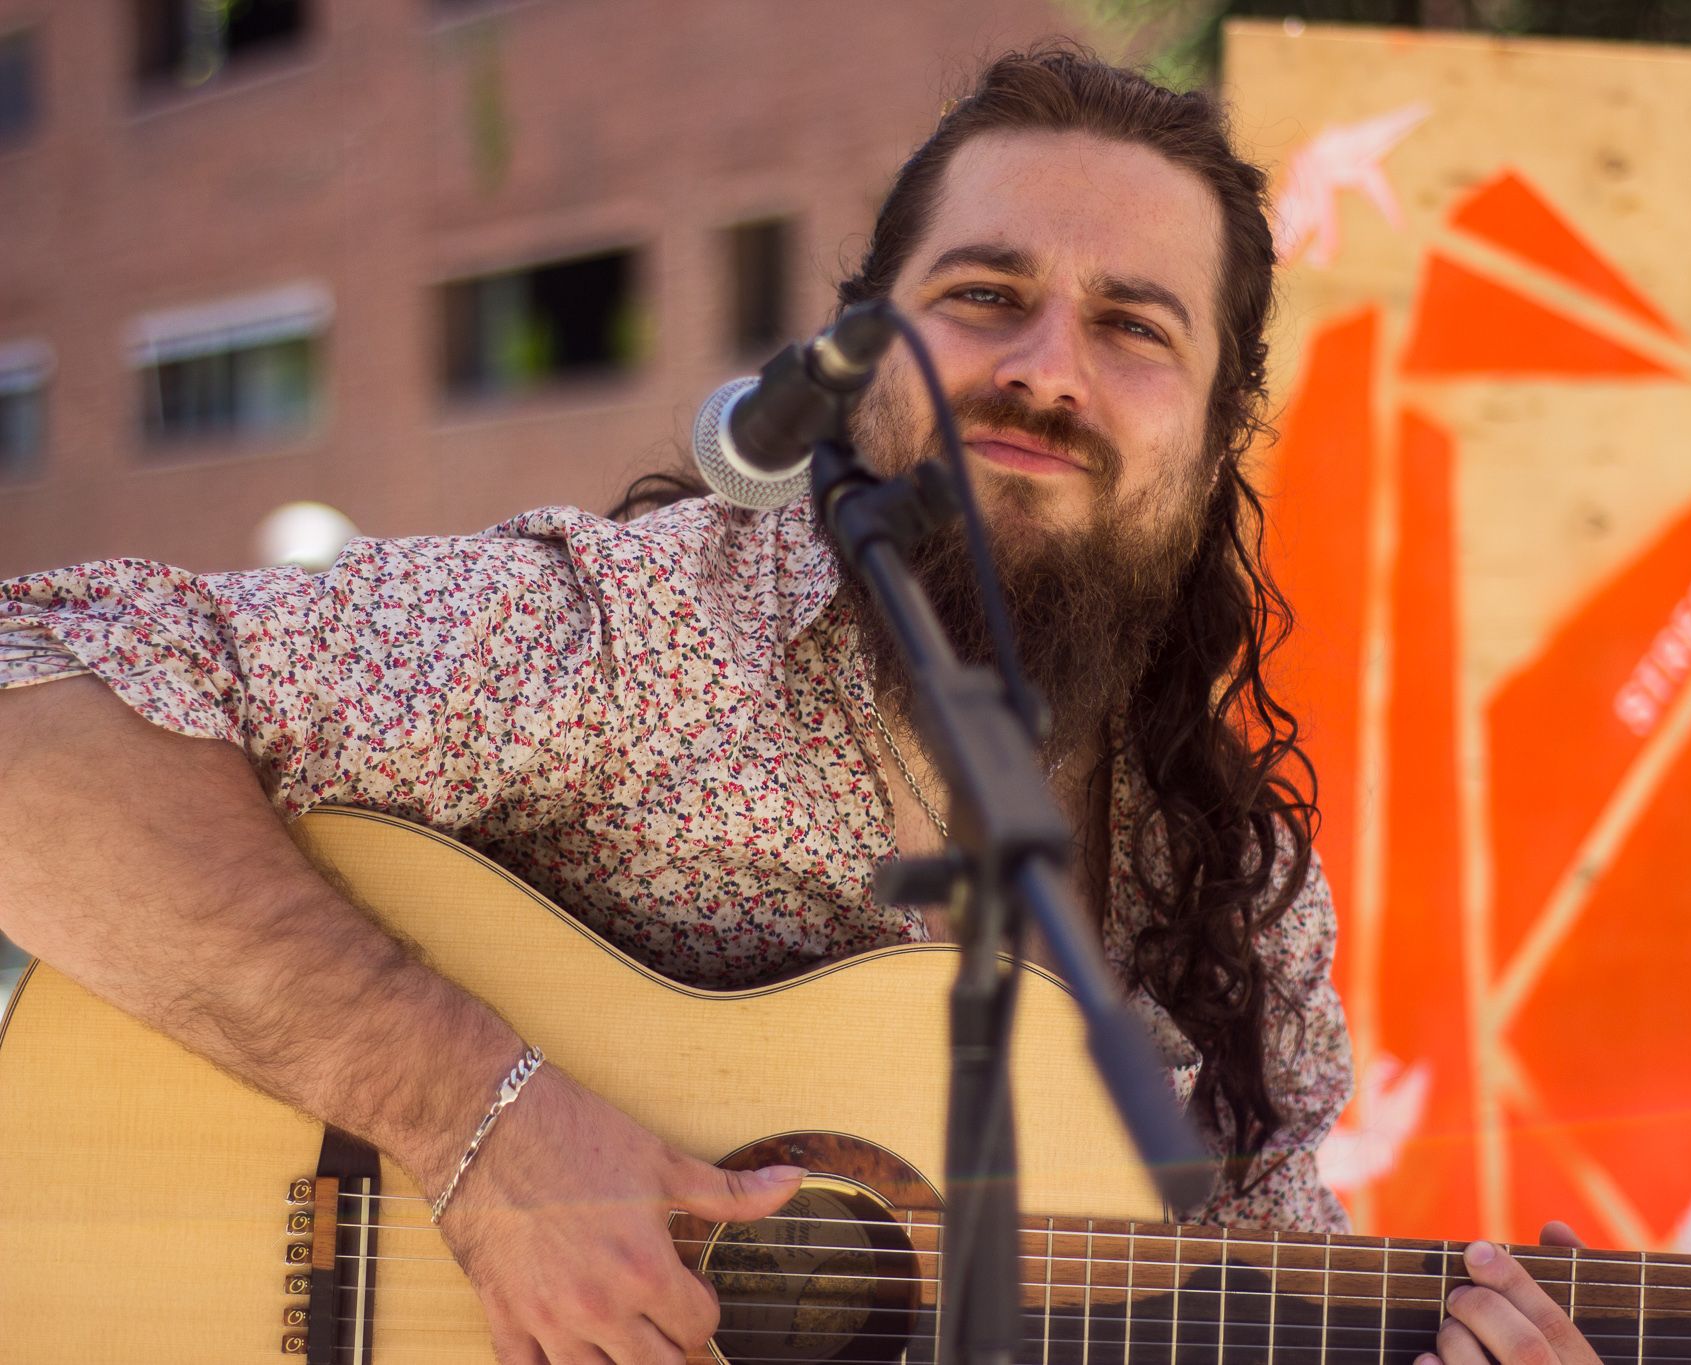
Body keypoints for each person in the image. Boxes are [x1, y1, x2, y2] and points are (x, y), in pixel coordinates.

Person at [0, 43, 1602, 1365]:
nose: (1047, 369)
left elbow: (1253, 1312)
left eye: (1134, 326)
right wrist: (471, 1118)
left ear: (1220, 422)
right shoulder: (643, 639)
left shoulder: (1228, 889)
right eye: (984, 295)